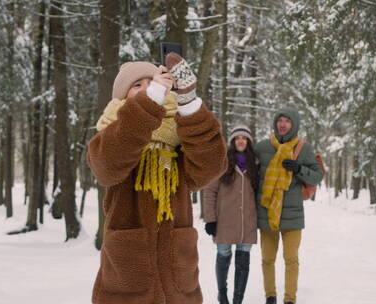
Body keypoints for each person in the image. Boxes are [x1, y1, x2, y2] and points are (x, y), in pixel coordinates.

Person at [87, 53, 227, 304]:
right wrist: (149, 101)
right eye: (137, 86)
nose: (146, 89)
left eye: (150, 82)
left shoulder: (180, 138)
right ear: (122, 97)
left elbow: (211, 167)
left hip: (178, 279)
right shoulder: (110, 134)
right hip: (127, 278)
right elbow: (107, 167)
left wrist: (189, 103)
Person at [255, 108, 324, 304]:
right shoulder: (262, 147)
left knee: (291, 259)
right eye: (280, 120)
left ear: (294, 125)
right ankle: (270, 296)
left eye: (287, 121)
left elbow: (318, 175)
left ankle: (289, 299)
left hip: (293, 215)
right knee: (267, 259)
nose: (282, 124)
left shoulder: (304, 149)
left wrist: (299, 169)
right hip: (267, 211)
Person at [203, 125, 259, 304]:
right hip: (224, 222)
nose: (241, 141)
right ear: (233, 142)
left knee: (243, 263)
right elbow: (209, 192)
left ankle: (238, 299)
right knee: (223, 257)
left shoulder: (255, 165)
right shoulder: (222, 162)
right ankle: (222, 294)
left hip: (247, 223)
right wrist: (210, 219)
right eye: (237, 138)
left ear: (248, 142)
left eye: (244, 138)